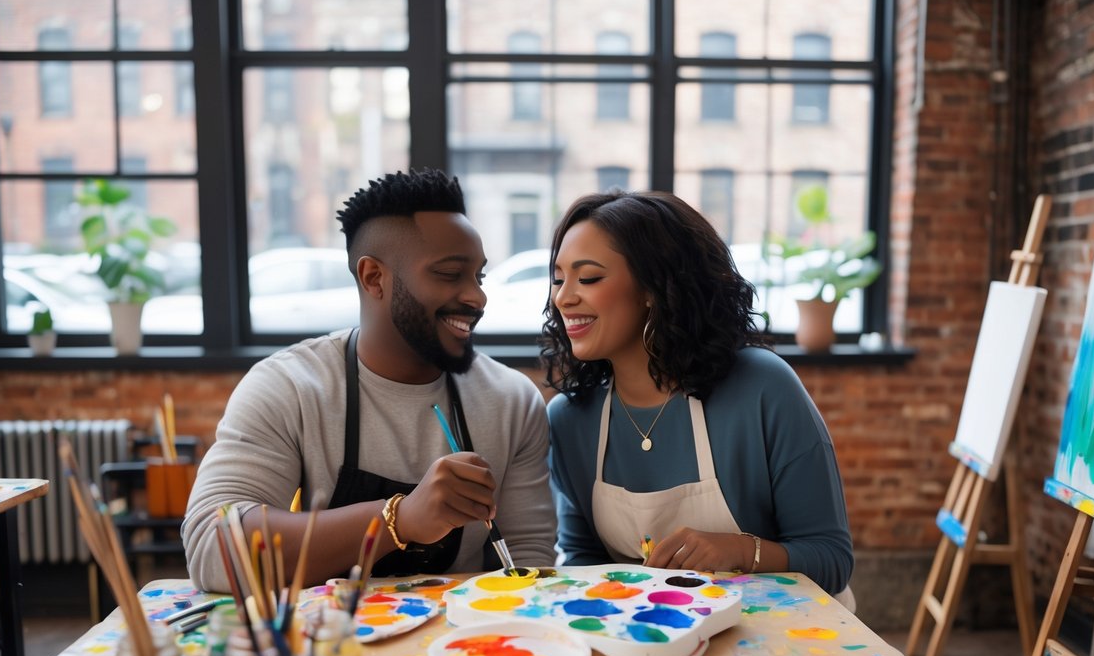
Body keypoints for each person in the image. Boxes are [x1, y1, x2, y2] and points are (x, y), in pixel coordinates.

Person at [183, 169, 556, 592]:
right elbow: (212, 547)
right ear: (374, 277)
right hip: (330, 633)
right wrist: (399, 519)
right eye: (450, 274)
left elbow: (530, 564)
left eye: (478, 277)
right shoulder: (290, 387)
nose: (477, 296)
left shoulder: (512, 400)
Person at [542, 190, 854, 600]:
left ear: (653, 287)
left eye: (588, 278)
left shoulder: (763, 389)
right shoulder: (570, 419)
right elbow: (582, 558)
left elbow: (832, 560)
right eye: (558, 279)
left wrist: (740, 551)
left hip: (788, 630)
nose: (563, 297)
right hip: (649, 628)